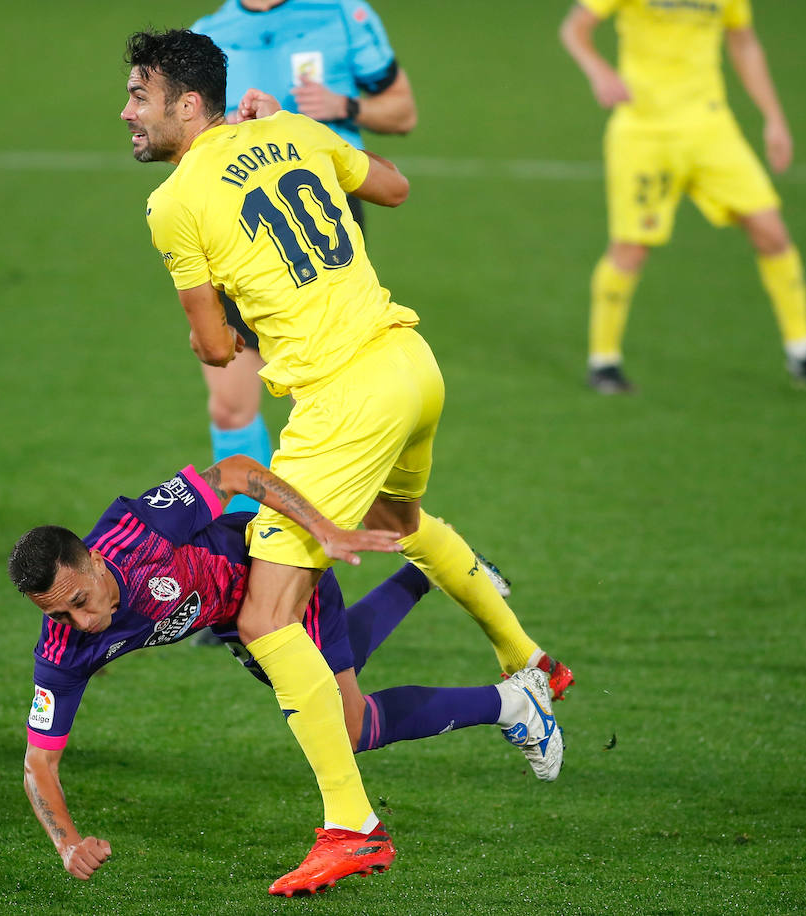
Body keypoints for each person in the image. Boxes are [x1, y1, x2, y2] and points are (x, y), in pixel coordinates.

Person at [121, 29, 571, 895]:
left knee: (264, 619)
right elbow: (396, 187)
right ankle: (531, 661)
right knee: (397, 523)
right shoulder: (294, 129)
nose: (126, 110)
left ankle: (350, 825)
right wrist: (294, 135)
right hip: (412, 364)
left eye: (140, 94)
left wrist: (218, 324)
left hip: (344, 401)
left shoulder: (173, 203)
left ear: (187, 104)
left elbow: (216, 350)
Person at [10, 457, 562, 885]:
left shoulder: (136, 532)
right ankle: (431, 575)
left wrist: (319, 528)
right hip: (238, 621)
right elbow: (39, 765)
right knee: (342, 678)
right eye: (58, 613)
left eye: (81, 600)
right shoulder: (64, 648)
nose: (80, 622)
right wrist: (67, 844)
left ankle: (513, 702)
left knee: (350, 725)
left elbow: (235, 473)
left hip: (272, 565)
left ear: (95, 560)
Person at [559, 0, 806, 394]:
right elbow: (575, 28)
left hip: (711, 128)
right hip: (644, 131)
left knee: (772, 232)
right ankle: (604, 363)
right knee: (631, 249)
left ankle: (802, 353)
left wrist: (774, 116)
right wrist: (600, 72)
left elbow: (744, 43)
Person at [188, 0, 418, 513]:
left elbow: (403, 112)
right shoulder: (206, 34)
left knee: (325, 408)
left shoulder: (343, 16)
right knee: (230, 406)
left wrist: (344, 107)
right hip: (232, 223)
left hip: (317, 215)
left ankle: (414, 544)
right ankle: (245, 541)